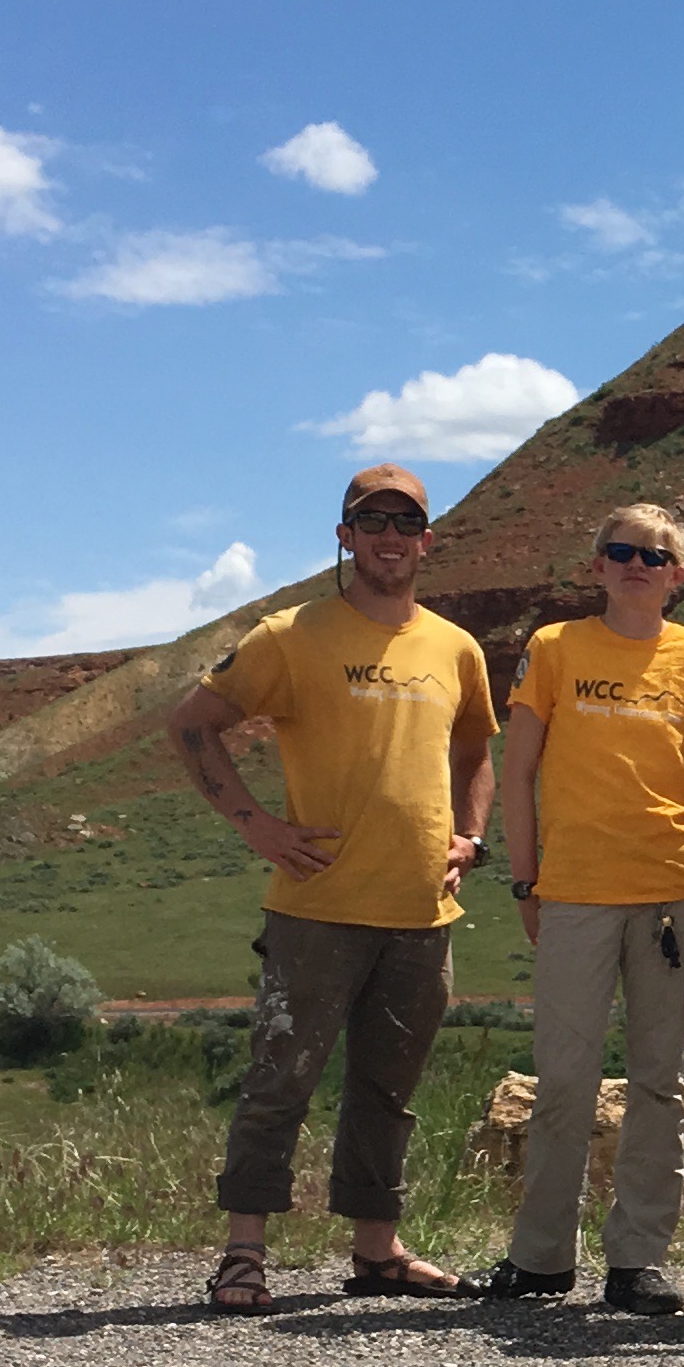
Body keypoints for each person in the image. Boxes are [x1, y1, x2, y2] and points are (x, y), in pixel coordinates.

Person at [166, 461, 499, 1313]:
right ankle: (244, 1254)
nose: (390, 537)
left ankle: (377, 1251)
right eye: (372, 522)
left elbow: (475, 751)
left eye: (405, 522)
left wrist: (471, 837)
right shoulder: (290, 635)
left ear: (427, 540)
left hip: (420, 911)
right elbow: (194, 723)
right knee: (280, 1081)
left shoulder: (455, 647)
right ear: (345, 537)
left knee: (388, 1091)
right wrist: (256, 825)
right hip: (316, 909)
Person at [473, 503, 684, 1314]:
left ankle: (637, 1259)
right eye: (622, 551)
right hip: (574, 893)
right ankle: (541, 1259)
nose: (638, 565)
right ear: (596, 565)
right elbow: (518, 771)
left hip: (670, 893)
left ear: (678, 575)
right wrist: (526, 882)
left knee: (660, 1082)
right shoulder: (555, 648)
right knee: (565, 1079)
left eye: (656, 556)